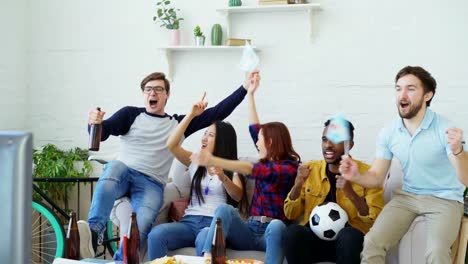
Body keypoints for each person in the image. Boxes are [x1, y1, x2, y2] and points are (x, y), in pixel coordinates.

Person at [78, 71, 256, 260]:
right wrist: (94, 124)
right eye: (148, 89)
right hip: (124, 172)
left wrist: (244, 88)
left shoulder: (176, 124)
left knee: (142, 224)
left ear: (167, 95)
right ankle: (93, 232)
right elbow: (104, 131)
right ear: (143, 94)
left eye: (158, 89)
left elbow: (219, 111)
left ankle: (121, 261)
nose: (152, 93)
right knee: (113, 167)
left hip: (151, 183)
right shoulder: (130, 114)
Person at [339, 66, 468, 264]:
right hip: (408, 196)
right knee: (372, 242)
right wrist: (356, 175)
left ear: (427, 95)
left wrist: (458, 151)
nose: (402, 95)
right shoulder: (389, 132)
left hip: (445, 198)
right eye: (398, 89)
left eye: (410, 88)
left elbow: (465, 179)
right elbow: (376, 177)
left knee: (436, 252)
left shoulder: (446, 129)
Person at [190, 72, 300, 264]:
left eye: (259, 139)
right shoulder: (265, 158)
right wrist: (250, 94)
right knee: (221, 214)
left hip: (273, 231)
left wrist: (216, 161)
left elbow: (254, 170)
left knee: (276, 226)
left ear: (271, 142)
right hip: (249, 228)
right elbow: (254, 127)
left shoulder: (290, 168)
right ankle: (208, 259)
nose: (256, 142)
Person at [147, 93, 249, 259]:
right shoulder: (196, 161)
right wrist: (191, 115)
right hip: (189, 222)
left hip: (213, 224)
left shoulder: (232, 167)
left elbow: (237, 196)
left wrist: (223, 177)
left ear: (222, 141)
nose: (204, 137)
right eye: (205, 133)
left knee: (204, 238)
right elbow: (171, 145)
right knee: (156, 235)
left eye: (210, 135)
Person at [282, 118, 384, 264]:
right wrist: (298, 184)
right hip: (314, 241)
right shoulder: (310, 169)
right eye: (324, 140)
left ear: (350, 145)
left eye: (335, 140)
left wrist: (351, 194)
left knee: (348, 236)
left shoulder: (368, 175)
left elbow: (375, 223)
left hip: (349, 244)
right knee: (292, 233)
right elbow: (290, 213)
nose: (328, 145)